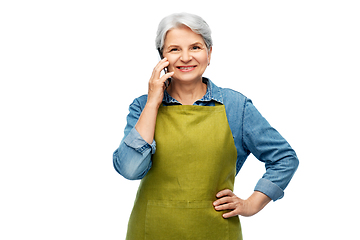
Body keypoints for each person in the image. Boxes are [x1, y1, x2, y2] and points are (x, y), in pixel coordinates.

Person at [113, 12, 299, 240]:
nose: (185, 57)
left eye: (195, 47)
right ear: (162, 57)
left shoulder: (235, 106)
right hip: (152, 231)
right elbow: (130, 170)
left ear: (209, 54)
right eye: (174, 49)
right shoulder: (143, 106)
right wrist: (153, 101)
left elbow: (284, 158)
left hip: (216, 231)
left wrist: (252, 204)